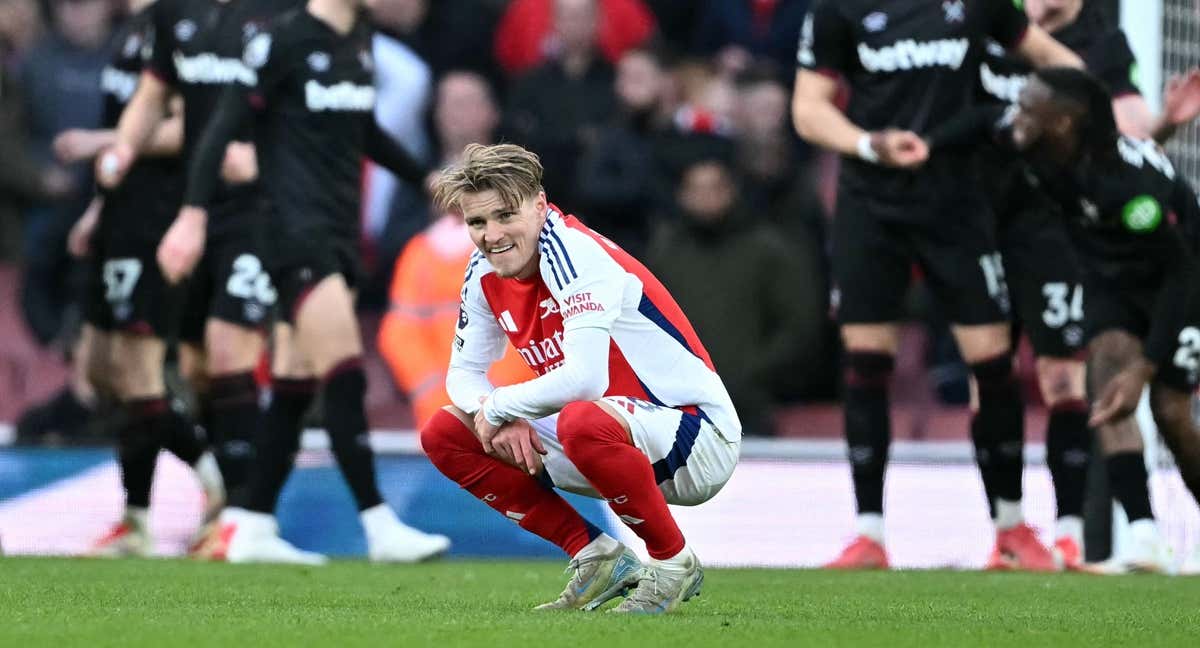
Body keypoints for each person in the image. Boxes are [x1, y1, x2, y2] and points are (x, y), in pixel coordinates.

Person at [791, 0, 1082, 570]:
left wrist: (1031, 115)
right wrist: (869, 144)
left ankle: (1010, 529)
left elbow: (1056, 62)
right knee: (866, 360)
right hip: (871, 202)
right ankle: (869, 534)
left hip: (958, 201)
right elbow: (808, 109)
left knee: (992, 364)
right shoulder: (837, 10)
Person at [171, 0, 451, 564]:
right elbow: (222, 127)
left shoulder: (361, 40)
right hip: (289, 231)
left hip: (340, 230)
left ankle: (251, 525)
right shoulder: (282, 40)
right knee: (343, 372)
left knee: (296, 384)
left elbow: (364, 131)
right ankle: (379, 525)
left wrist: (427, 179)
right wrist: (193, 215)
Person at [420, 143, 741, 613]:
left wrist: (500, 406)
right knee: (445, 433)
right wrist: (496, 414)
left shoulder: (576, 253)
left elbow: (586, 379)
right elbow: (464, 375)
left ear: (539, 203)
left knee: (581, 418)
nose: (492, 235)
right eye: (477, 223)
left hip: (695, 437)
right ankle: (597, 555)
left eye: (505, 215)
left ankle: (674, 564)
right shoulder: (482, 271)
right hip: (606, 438)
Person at [927, 67, 1200, 573]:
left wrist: (1147, 367)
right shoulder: (1040, 150)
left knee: (1171, 413)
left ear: (1063, 123)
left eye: (1029, 107)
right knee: (1106, 372)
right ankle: (1144, 538)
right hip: (1113, 283)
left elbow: (1182, 275)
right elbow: (980, 122)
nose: (1016, 114)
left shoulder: (1132, 190)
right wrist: (922, 144)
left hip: (1182, 281)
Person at [94, 0, 302, 559]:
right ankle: (226, 508)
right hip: (190, 203)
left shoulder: (284, 14)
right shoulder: (173, 13)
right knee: (193, 366)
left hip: (261, 207)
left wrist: (266, 153)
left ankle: (246, 519)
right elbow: (152, 94)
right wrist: (121, 148)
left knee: (229, 346)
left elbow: (313, 103)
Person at [55, 0, 226, 556]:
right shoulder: (135, 29)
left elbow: (189, 126)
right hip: (121, 213)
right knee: (104, 370)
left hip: (158, 214)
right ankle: (207, 472)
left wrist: (101, 142)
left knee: (136, 368)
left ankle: (138, 520)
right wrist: (97, 211)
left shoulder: (186, 24)